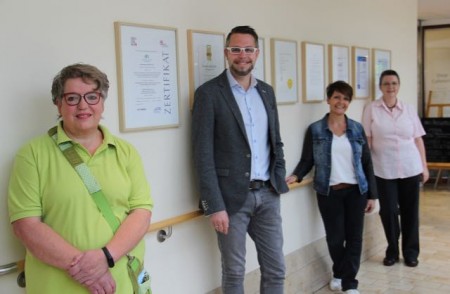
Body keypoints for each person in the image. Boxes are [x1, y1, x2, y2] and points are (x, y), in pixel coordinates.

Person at [8, 63, 153, 294]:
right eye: (72, 98)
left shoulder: (126, 152)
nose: (83, 105)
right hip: (58, 285)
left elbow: (141, 212)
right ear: (58, 103)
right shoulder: (32, 155)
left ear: (102, 101)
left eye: (92, 96)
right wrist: (89, 272)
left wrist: (106, 257)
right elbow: (26, 226)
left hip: (120, 282)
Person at [191, 25, 289, 294]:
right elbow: (202, 154)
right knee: (234, 273)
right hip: (231, 200)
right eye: (236, 49)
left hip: (268, 194)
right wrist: (215, 205)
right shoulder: (209, 94)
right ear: (226, 53)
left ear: (257, 54)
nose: (242, 55)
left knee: (276, 268)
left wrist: (278, 176)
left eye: (248, 49)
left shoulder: (266, 92)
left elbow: (276, 141)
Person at [286, 81, 377, 294]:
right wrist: (296, 175)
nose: (341, 102)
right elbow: (307, 159)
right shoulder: (316, 129)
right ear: (328, 99)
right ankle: (338, 272)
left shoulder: (356, 128)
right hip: (329, 192)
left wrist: (372, 194)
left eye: (345, 98)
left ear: (349, 102)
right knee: (335, 238)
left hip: (357, 191)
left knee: (354, 237)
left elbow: (367, 162)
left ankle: (349, 283)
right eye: (337, 97)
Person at [362, 69, 429, 268]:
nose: (390, 87)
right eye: (386, 84)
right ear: (380, 87)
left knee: (410, 212)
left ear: (398, 86)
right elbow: (368, 141)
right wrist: (366, 171)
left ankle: (411, 252)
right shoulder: (371, 109)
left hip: (410, 167)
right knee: (388, 211)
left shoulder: (408, 109)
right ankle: (392, 249)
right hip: (383, 170)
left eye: (394, 83)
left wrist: (423, 167)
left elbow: (418, 139)